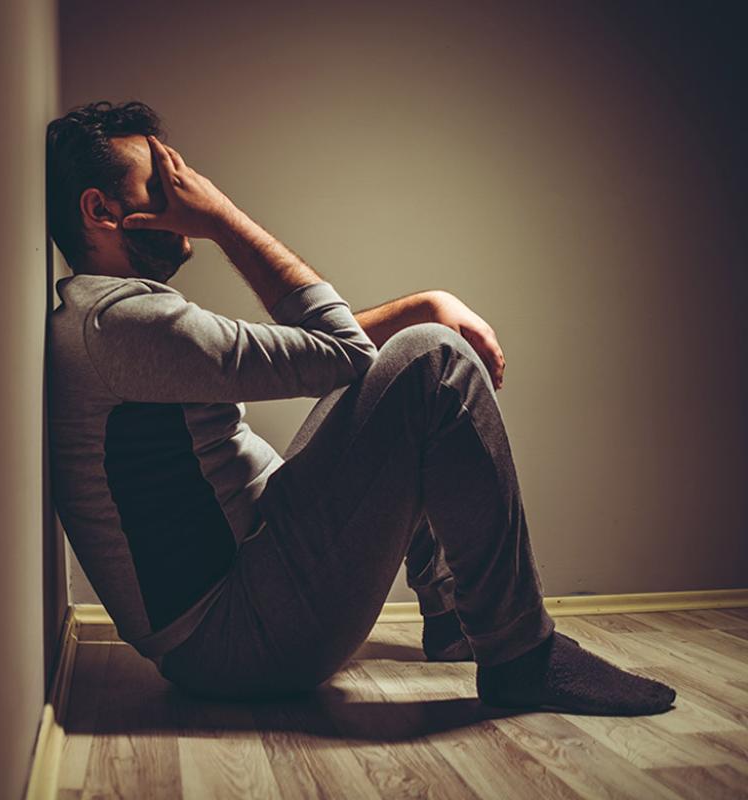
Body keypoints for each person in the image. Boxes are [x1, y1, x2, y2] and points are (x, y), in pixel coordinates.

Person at [45, 99, 676, 716]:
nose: (188, 191)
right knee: (432, 363)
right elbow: (342, 350)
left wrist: (424, 302)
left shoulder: (114, 317)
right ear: (100, 210)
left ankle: (454, 619)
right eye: (162, 182)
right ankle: (522, 655)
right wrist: (224, 218)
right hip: (232, 640)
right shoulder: (122, 324)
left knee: (407, 372)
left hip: (250, 587)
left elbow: (313, 355)